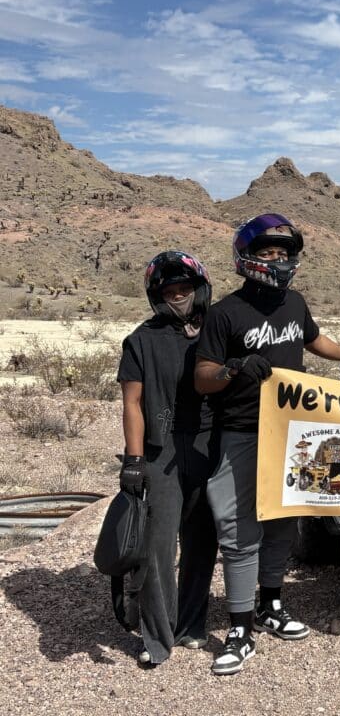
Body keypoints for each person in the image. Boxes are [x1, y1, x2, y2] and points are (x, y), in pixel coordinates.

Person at [194, 213, 340, 675]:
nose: (277, 260)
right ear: (247, 258)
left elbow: (315, 340)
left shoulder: (294, 302)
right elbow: (202, 378)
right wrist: (234, 368)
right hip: (241, 431)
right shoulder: (225, 313)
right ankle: (239, 626)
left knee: (283, 522)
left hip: (293, 433)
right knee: (239, 531)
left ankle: (270, 605)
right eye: (267, 252)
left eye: (284, 252)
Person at [116, 250, 219, 666]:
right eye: (170, 291)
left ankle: (191, 624)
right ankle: (157, 638)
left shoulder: (217, 329)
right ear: (157, 296)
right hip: (161, 451)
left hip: (210, 446)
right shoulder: (140, 340)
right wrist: (134, 460)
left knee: (202, 540)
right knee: (157, 546)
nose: (178, 297)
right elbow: (133, 403)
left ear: (199, 289)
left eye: (184, 289)